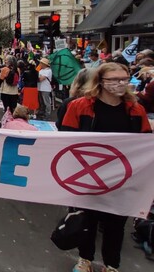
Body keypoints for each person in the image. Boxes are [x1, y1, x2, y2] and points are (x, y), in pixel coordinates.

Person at [60, 63, 151, 272]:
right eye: (113, 79)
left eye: (124, 79)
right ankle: (85, 260)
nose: (119, 84)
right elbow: (64, 139)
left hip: (121, 178)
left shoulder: (136, 110)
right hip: (87, 177)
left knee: (115, 225)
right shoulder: (79, 106)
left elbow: (146, 143)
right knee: (87, 221)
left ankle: (112, 265)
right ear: (100, 81)